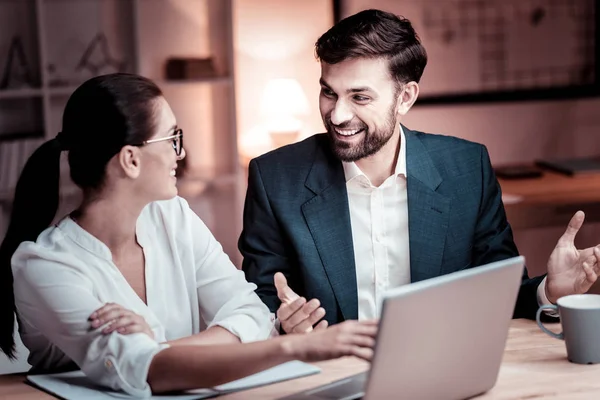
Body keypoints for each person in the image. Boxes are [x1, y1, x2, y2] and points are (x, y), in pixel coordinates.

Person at [0, 73, 378, 397]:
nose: (180, 154)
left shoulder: (171, 216)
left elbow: (251, 314)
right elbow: (147, 371)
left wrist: (161, 345)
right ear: (131, 160)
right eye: (171, 138)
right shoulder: (45, 265)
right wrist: (296, 346)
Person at [239, 9, 600, 332]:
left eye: (360, 97)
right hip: (332, 380)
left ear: (406, 97)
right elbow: (259, 305)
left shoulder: (466, 169)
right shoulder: (275, 179)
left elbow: (497, 298)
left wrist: (551, 291)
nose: (338, 115)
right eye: (329, 92)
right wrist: (280, 325)